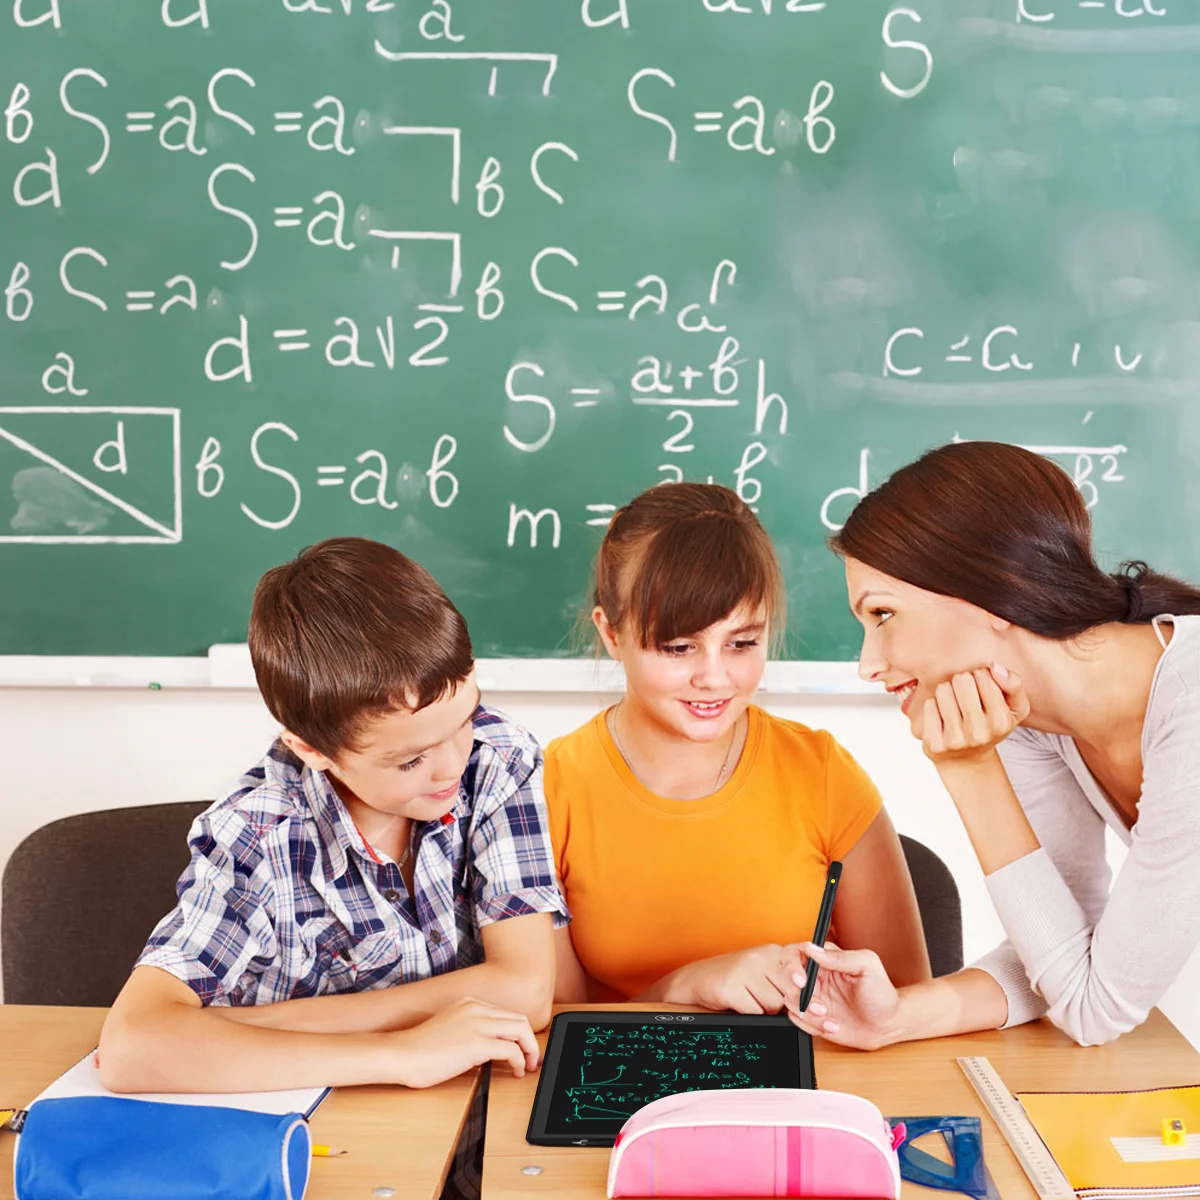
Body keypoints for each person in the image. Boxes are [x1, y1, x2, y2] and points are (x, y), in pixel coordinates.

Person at [99, 537, 569, 1199]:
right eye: (410, 760)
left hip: (462, 1138)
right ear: (312, 749)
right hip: (315, 1152)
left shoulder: (499, 755)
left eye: (462, 720)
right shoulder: (260, 833)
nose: (451, 766)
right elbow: (131, 1047)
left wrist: (251, 1027)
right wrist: (402, 1050)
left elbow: (525, 990)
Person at [787, 440, 1200, 1049]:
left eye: (883, 615)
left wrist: (969, 771)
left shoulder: (1190, 706)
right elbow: (1060, 948)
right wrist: (899, 1016)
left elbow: (1095, 1008)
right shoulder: (1030, 717)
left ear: (993, 594)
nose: (868, 665)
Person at [547, 482, 931, 1013]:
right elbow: (549, 1026)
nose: (714, 677)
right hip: (619, 1067)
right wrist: (686, 987)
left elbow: (904, 1004)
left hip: (797, 1063)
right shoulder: (546, 792)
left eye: (742, 643)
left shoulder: (821, 773)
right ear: (612, 634)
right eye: (678, 647)